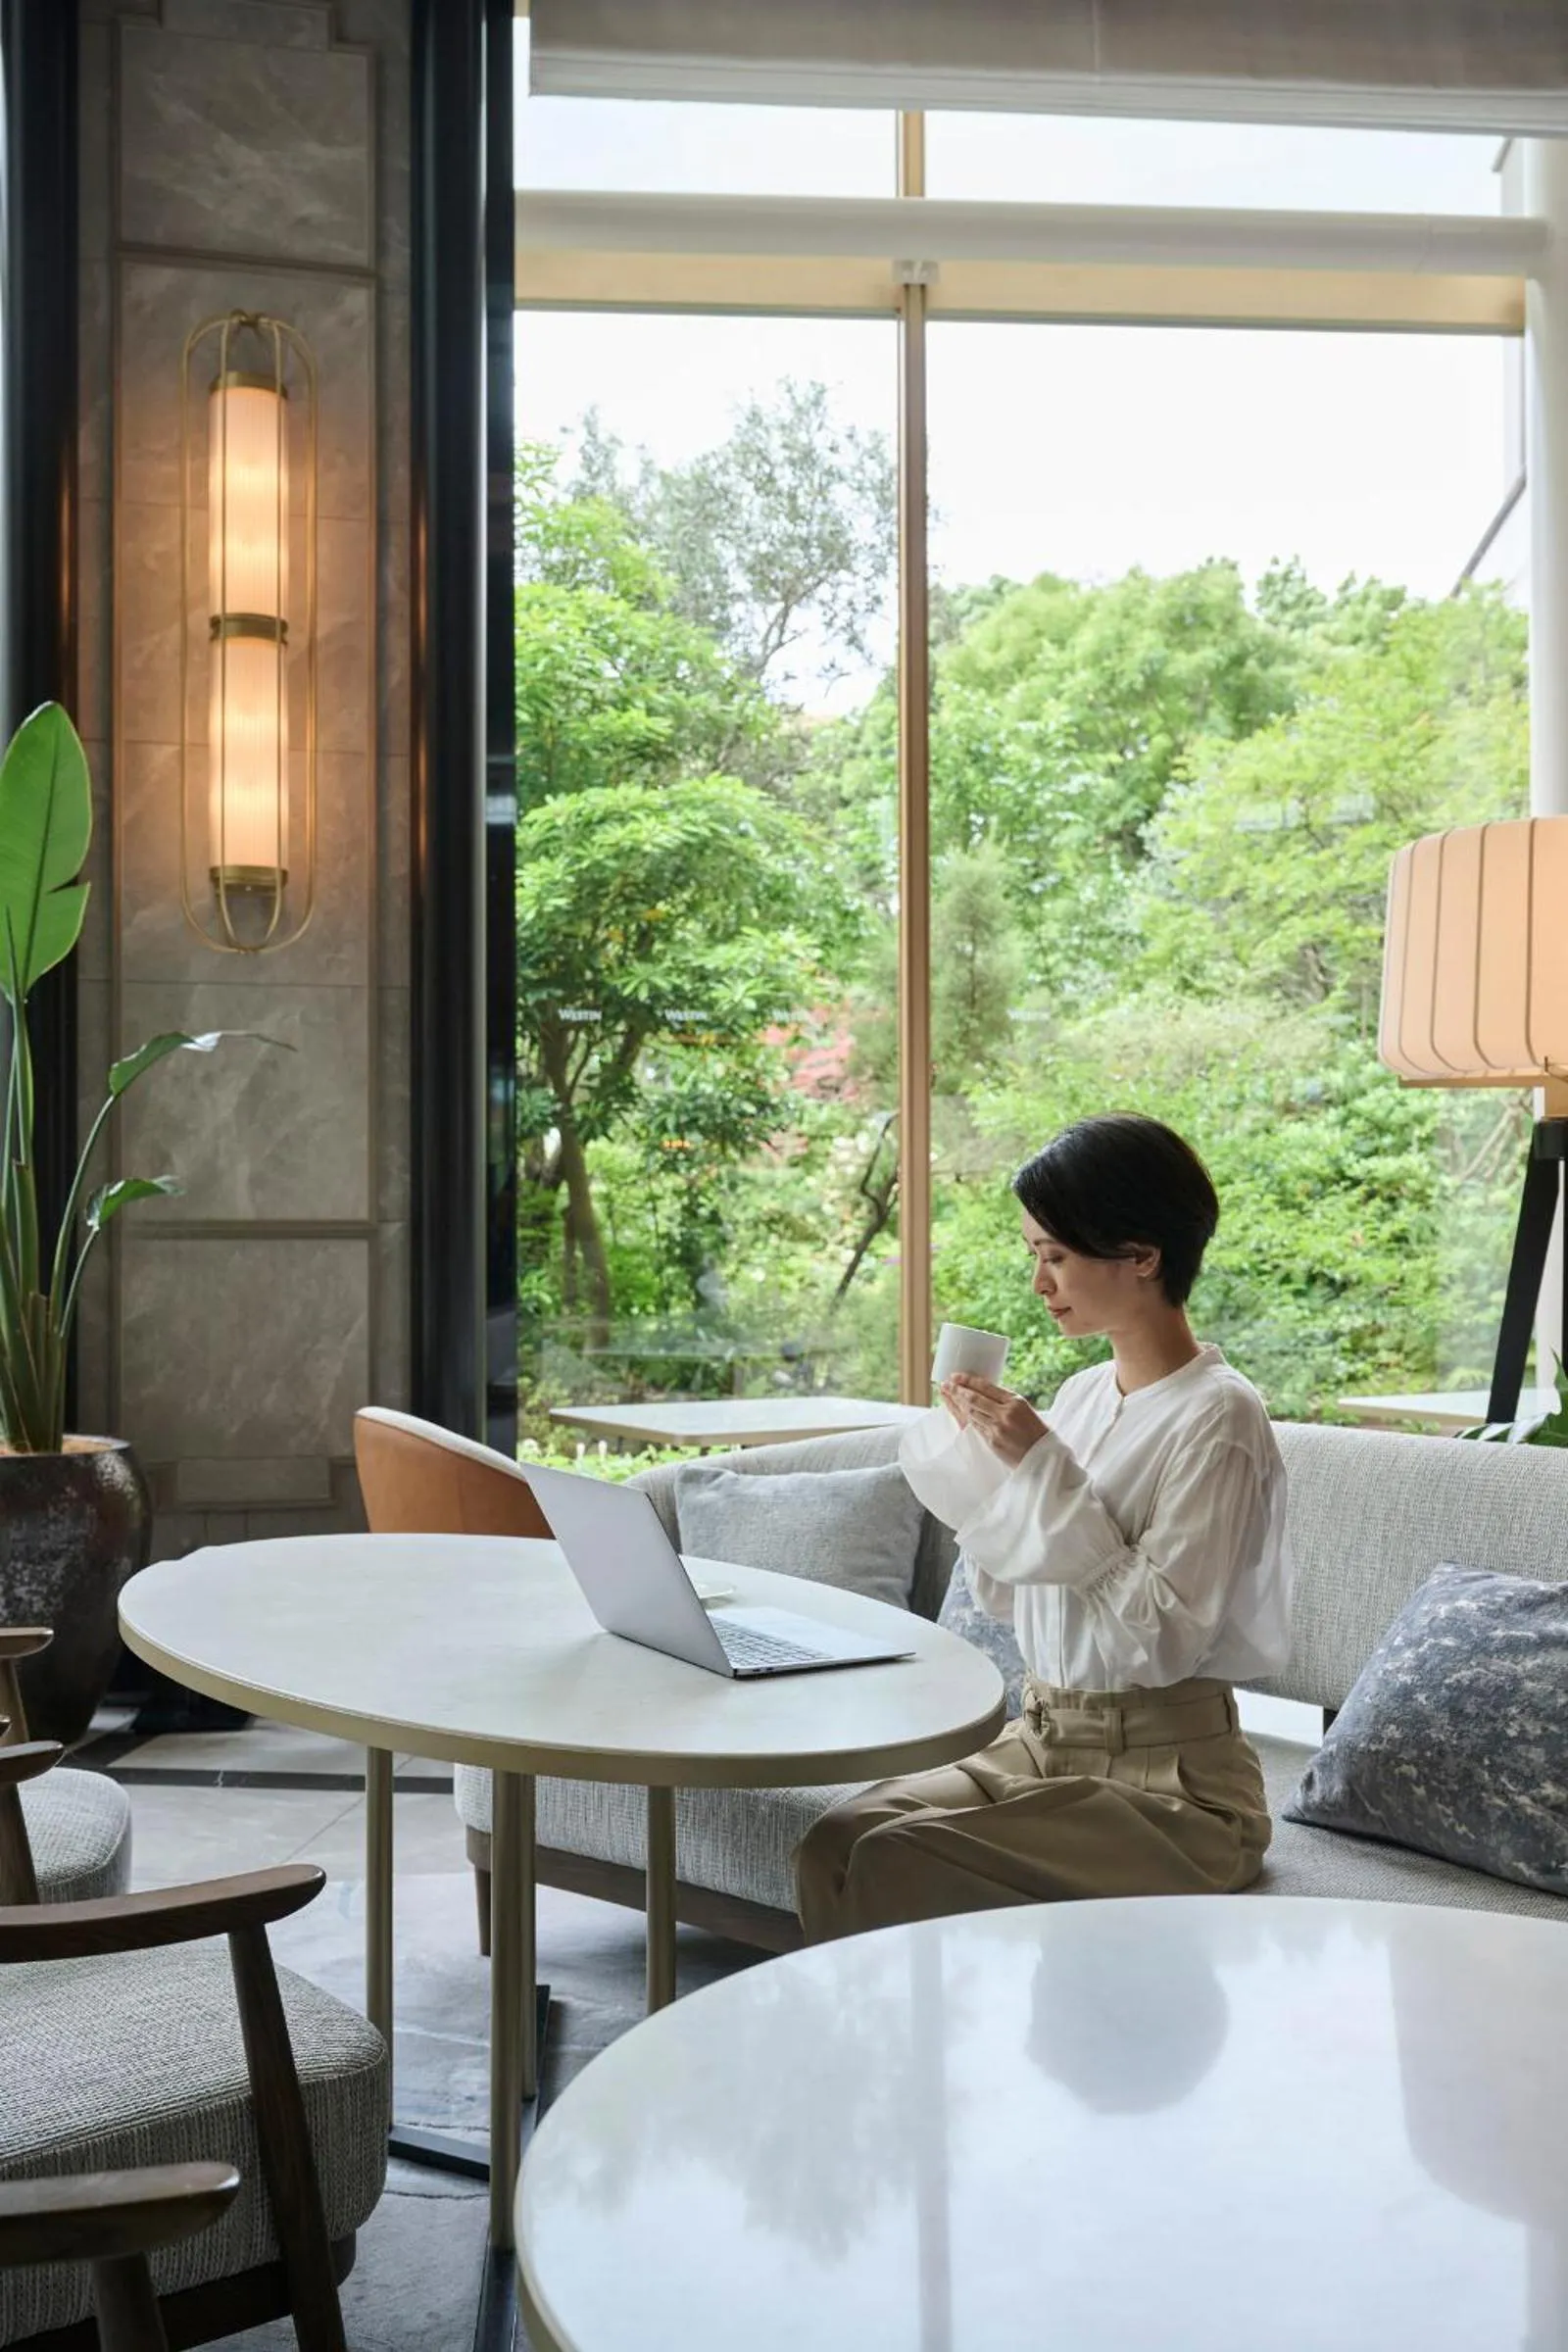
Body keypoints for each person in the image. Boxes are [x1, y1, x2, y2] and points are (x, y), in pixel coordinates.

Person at [794, 1112, 1294, 1943]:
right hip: (1044, 1741)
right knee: (834, 1844)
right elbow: (1010, 1592)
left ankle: (926, 2069)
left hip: (1175, 1788)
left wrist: (1044, 1471)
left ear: (1142, 1257)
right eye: (1035, 1255)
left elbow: (1162, 1640)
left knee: (896, 1859)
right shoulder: (1085, 1397)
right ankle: (876, 2067)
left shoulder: (1220, 1417)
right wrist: (991, 1469)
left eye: (1055, 1256)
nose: (1040, 1284)